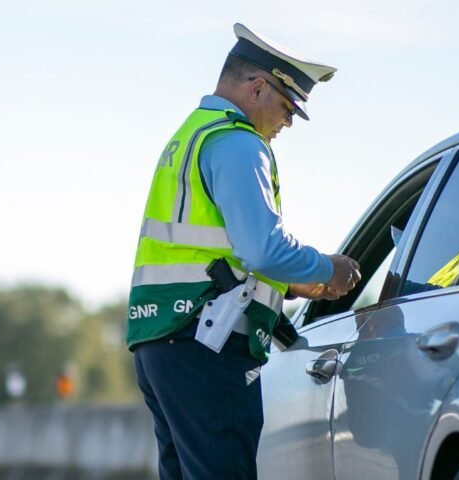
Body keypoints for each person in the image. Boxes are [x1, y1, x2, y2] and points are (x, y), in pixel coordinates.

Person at [126, 23, 361, 479]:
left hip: (163, 340)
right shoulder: (238, 142)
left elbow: (215, 250)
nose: (289, 122)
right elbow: (261, 248)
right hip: (208, 344)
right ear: (257, 88)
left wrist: (289, 283)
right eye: (288, 106)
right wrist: (325, 267)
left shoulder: (192, 135)